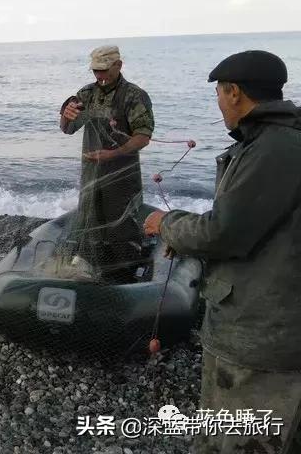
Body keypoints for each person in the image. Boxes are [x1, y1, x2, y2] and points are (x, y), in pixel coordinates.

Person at [143, 50, 301, 454]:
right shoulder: (275, 142)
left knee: (242, 439)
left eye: (218, 93)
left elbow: (224, 232)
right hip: (268, 322)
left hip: (261, 333)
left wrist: (168, 225)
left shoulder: (274, 148)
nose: (218, 103)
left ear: (234, 93)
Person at [59, 45, 154, 283]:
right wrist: (65, 114)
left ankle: (125, 274)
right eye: (95, 72)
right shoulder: (86, 94)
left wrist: (113, 154)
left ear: (118, 65)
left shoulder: (134, 95)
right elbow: (68, 129)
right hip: (91, 174)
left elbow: (143, 137)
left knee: (121, 224)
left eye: (103, 71)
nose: (99, 77)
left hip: (122, 175)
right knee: (91, 218)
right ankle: (90, 266)